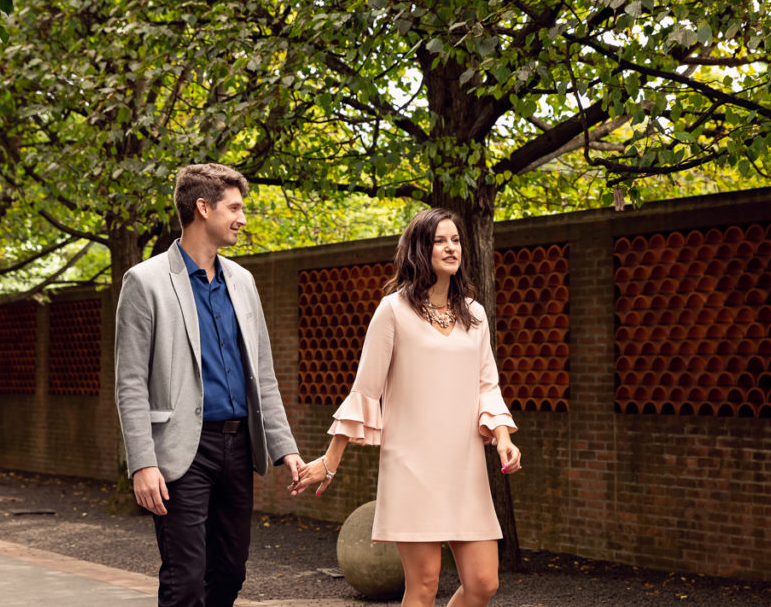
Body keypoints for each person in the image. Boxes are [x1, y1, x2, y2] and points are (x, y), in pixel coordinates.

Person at [290, 207, 521, 607]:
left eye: (456, 240)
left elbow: (488, 386)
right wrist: (330, 460)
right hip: (412, 467)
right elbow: (365, 391)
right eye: (439, 241)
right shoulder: (393, 311)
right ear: (420, 249)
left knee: (484, 582)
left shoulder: (475, 315)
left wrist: (502, 437)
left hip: (465, 466)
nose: (451, 248)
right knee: (425, 585)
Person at [115, 162, 304, 606]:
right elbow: (130, 383)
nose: (242, 217)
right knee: (184, 579)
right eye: (234, 207)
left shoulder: (243, 281)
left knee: (230, 571)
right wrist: (143, 463)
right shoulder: (144, 281)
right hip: (181, 452)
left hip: (238, 449)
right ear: (203, 208)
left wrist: (286, 447)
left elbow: (263, 374)